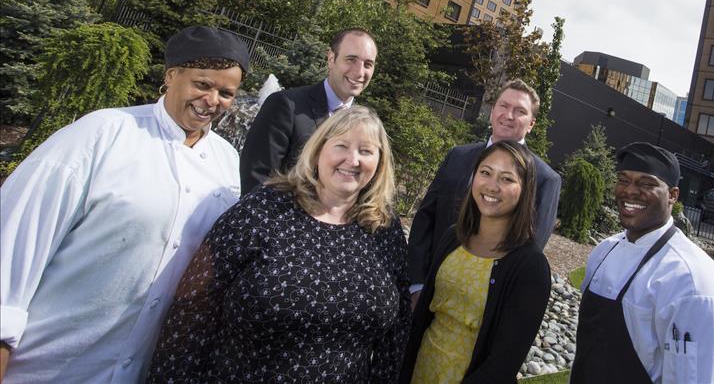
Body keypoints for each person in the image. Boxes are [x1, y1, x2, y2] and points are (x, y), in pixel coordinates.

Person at [0, 25, 249, 383]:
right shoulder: (102, 134)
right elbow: (15, 243)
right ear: (171, 75)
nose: (212, 100)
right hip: (44, 366)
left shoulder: (226, 162)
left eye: (226, 93)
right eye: (202, 84)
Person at [147, 105, 410, 382]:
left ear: (379, 163)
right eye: (341, 146)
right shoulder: (263, 209)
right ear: (319, 150)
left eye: (366, 151)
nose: (352, 159)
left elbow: (395, 334)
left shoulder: (383, 228)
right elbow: (193, 309)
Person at [571, 142, 714, 384]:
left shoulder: (695, 286)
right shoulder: (604, 251)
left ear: (673, 195)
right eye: (623, 180)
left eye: (646, 184)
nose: (630, 191)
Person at [400, 141, 551, 384]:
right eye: (485, 172)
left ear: (525, 189)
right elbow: (421, 321)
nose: (492, 186)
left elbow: (502, 364)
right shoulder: (453, 237)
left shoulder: (530, 267)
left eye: (506, 179)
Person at [407, 79, 561, 302]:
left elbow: (529, 253)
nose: (509, 115)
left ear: (531, 124)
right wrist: (417, 284)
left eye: (519, 111)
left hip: (484, 301)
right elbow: (425, 219)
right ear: (492, 111)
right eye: (503, 106)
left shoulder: (545, 179)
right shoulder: (457, 156)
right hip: (429, 290)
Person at [239, 27, 377, 194]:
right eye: (351, 60)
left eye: (368, 64)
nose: (360, 72)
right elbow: (256, 179)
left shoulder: (364, 126)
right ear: (331, 59)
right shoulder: (286, 106)